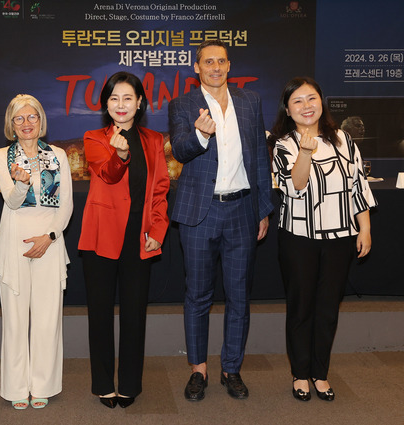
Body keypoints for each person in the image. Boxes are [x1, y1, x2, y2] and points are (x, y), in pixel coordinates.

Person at [169, 40, 274, 402]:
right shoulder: (181, 104)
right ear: (196, 68)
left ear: (230, 65)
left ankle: (232, 368)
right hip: (200, 213)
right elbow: (181, 150)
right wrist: (200, 133)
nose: (215, 67)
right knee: (197, 295)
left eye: (221, 61)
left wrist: (263, 208)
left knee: (239, 296)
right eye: (207, 61)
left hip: (242, 211)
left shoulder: (250, 101)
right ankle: (198, 370)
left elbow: (261, 156)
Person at [268, 77, 377, 402]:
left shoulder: (343, 139)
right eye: (298, 101)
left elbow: (358, 185)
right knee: (301, 307)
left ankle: (320, 373)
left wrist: (365, 227)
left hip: (340, 237)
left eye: (311, 98)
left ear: (321, 103)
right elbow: (295, 186)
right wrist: (304, 150)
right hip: (299, 238)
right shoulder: (283, 143)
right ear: (288, 108)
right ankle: (300, 374)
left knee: (328, 308)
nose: (306, 106)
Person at [78, 71, 170, 408]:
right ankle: (103, 383)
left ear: (140, 103)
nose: (121, 105)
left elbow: (160, 190)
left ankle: (130, 383)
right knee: (100, 315)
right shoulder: (94, 137)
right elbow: (108, 174)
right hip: (101, 237)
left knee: (134, 315)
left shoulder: (154, 141)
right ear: (105, 103)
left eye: (127, 98)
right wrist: (120, 154)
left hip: (140, 238)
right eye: (114, 98)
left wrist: (157, 233)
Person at [0, 94, 73, 410]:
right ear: (11, 125)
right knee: (14, 319)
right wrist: (22, 184)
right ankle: (15, 387)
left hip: (50, 242)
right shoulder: (2, 156)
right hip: (14, 241)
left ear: (41, 121)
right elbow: (11, 201)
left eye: (32, 117)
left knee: (47, 317)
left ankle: (43, 384)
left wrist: (50, 236)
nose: (27, 124)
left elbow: (66, 204)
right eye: (19, 119)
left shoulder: (58, 155)